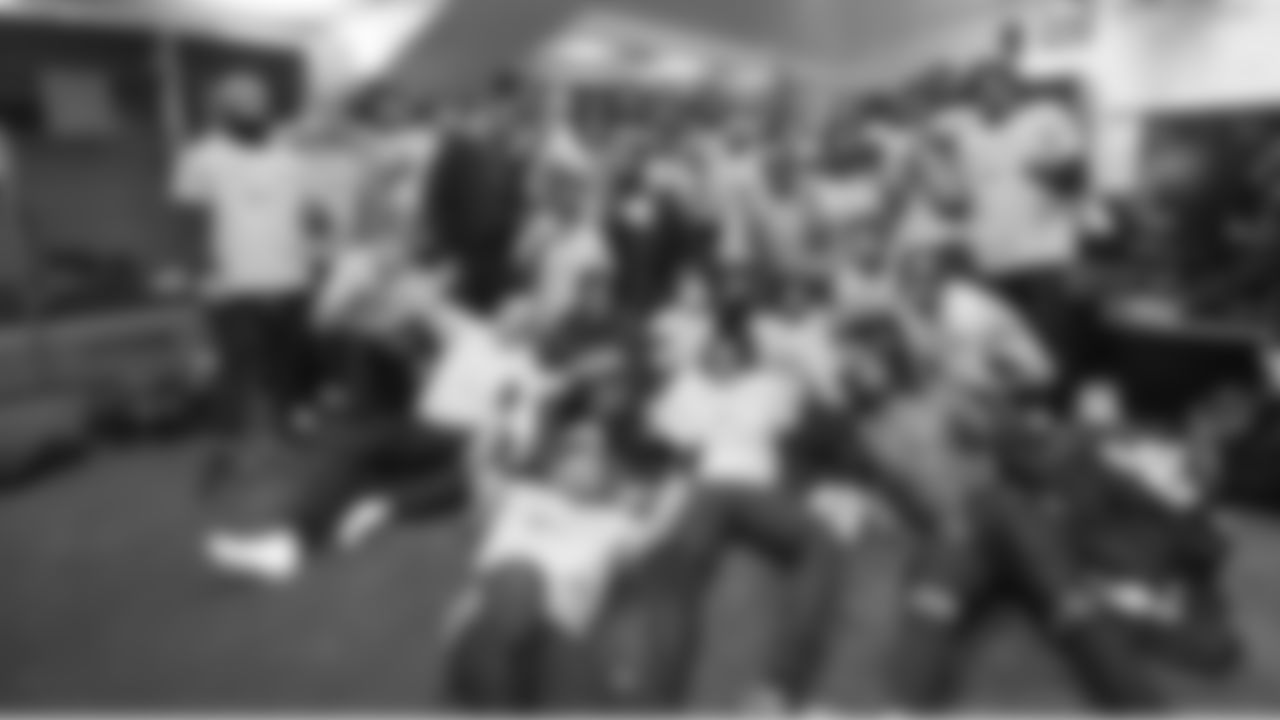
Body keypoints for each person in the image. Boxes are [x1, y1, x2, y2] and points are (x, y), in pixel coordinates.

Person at [205, 274, 554, 583]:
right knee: (355, 448)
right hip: (418, 428)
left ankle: (384, 505)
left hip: (464, 438)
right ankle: (287, 545)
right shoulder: (471, 330)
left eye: (520, 317)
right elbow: (427, 305)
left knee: (473, 469)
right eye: (507, 311)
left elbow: (523, 435)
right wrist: (411, 282)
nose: (508, 319)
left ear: (531, 329)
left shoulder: (525, 370)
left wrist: (504, 433)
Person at [626, 309, 848, 712]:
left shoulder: (768, 386)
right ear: (705, 353)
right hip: (706, 487)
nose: (724, 357)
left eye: (733, 351)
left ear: (745, 354)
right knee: (680, 573)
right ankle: (658, 702)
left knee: (823, 542)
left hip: (757, 491)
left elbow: (821, 414)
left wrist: (794, 360)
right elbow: (653, 439)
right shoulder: (685, 388)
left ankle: (778, 687)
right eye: (716, 351)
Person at [442, 384, 691, 711]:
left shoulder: (617, 526)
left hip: (558, 648)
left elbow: (671, 506)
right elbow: (477, 459)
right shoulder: (516, 497)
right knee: (520, 578)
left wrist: (669, 453)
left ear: (611, 467)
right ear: (555, 457)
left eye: (594, 452)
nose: (580, 459)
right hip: (488, 627)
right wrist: (501, 411)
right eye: (572, 448)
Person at [172, 72, 322, 485]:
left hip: (290, 277)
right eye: (242, 100)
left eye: (259, 99)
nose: (254, 107)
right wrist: (195, 276)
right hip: (231, 285)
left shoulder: (291, 157)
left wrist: (316, 242)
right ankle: (226, 446)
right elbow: (188, 221)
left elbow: (306, 213)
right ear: (221, 109)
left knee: (287, 364)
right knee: (235, 367)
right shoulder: (201, 158)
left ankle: (289, 425)